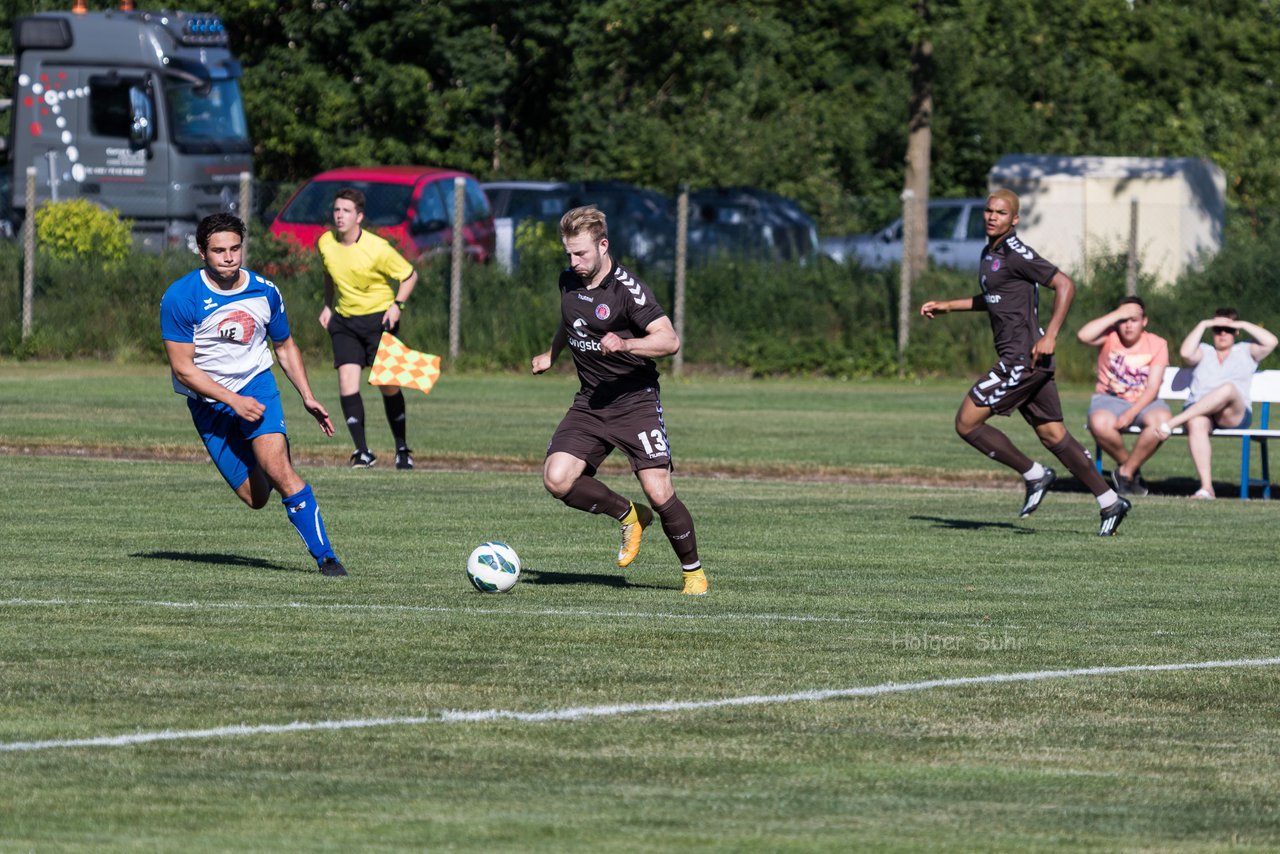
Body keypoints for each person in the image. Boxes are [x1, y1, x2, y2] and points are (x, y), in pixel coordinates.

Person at [919, 188, 1132, 536]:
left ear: (1014, 219)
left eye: (1000, 213)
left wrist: (1051, 336)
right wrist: (948, 306)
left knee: (967, 423)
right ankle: (1110, 501)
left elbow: (1065, 284)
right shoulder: (990, 253)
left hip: (1023, 358)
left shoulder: (1017, 253)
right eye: (988, 211)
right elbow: (995, 298)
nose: (991, 216)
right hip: (1032, 361)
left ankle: (1035, 474)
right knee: (1053, 435)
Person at [531, 205, 708, 594]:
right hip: (591, 402)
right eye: (569, 254)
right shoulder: (569, 281)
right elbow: (571, 322)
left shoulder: (629, 290)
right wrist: (552, 353)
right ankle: (629, 516)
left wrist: (626, 342)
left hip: (634, 402)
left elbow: (670, 340)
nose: (574, 262)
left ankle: (693, 573)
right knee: (556, 479)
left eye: (582, 253)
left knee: (659, 491)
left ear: (603, 245)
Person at [160, 213, 346, 576]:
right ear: (201, 253)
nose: (228, 257)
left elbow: (286, 347)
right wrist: (231, 401)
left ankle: (326, 557)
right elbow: (184, 368)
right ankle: (266, 458)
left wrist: (307, 395)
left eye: (234, 248)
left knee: (279, 469)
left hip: (256, 387)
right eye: (218, 251)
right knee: (256, 497)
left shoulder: (265, 291)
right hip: (209, 405)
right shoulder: (181, 297)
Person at [318, 187, 420, 470]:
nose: (339, 216)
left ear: (359, 217)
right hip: (345, 322)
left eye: (346, 211)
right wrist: (328, 305)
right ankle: (362, 452)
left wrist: (397, 304)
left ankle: (402, 449)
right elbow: (328, 272)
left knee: (388, 386)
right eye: (337, 210)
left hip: (379, 322)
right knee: (347, 384)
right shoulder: (326, 242)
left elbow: (410, 275)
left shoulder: (377, 248)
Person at [1152, 308, 1278, 498]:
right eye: (1217, 329)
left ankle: (1174, 421)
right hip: (1200, 413)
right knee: (1196, 423)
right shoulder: (1204, 350)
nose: (1222, 334)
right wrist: (1203, 324)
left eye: (1227, 329)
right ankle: (1206, 488)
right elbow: (1185, 353)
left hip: (1233, 413)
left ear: (1235, 331)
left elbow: (1272, 342)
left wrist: (1242, 325)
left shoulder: (1246, 350)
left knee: (1228, 388)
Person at [1075, 296, 1171, 497]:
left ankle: (1125, 472)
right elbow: (1083, 336)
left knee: (1162, 422)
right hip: (1109, 399)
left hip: (1145, 401)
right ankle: (1131, 469)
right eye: (1124, 320)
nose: (1128, 325)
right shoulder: (1109, 337)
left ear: (1144, 321)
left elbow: (1153, 387)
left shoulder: (1157, 344)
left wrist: (1131, 413)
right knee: (1099, 423)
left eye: (1133, 319)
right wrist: (1117, 314)